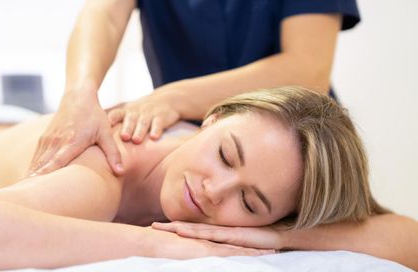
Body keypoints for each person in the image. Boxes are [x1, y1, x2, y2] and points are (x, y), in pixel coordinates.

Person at [0, 87, 418, 272]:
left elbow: (408, 238)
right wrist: (162, 246)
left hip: (8, 125)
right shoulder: (110, 165)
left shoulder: (267, 213)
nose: (215, 191)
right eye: (225, 155)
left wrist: (281, 238)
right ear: (211, 118)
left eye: (250, 201)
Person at [28, 0, 360, 179]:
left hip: (294, 151)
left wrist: (175, 98)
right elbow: (105, 13)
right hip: (182, 136)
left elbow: (307, 70)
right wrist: (79, 93)